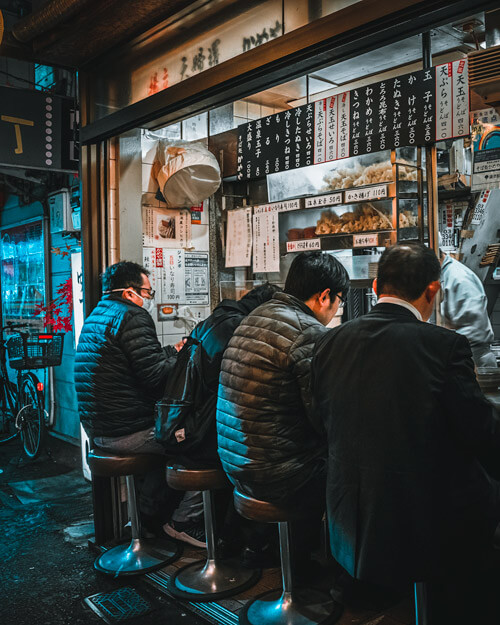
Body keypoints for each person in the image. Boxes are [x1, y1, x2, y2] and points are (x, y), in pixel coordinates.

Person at [312, 243, 500, 622]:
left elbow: (322, 422)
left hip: (347, 512)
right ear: (433, 290)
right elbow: (479, 432)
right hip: (423, 517)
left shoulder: (329, 341)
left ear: (378, 285)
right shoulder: (444, 346)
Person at [216, 251, 350, 569]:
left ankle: (273, 551)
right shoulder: (308, 333)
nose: (336, 311)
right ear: (325, 296)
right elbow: (322, 417)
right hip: (275, 475)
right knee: (353, 472)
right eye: (339, 301)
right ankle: (331, 573)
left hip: (234, 463)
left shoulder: (256, 315)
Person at [75, 261, 199, 537]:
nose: (148, 299)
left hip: (100, 429)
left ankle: (144, 522)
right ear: (130, 292)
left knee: (171, 444)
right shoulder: (133, 316)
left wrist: (170, 351)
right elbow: (155, 378)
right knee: (196, 443)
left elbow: (138, 363)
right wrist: (185, 354)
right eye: (148, 292)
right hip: (126, 430)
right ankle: (181, 523)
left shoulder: (99, 314)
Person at [158, 283, 281, 547]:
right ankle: (218, 534)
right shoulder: (237, 329)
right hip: (198, 433)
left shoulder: (219, 320)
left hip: (183, 424)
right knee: (252, 456)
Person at [440, 243, 497, 367]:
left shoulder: (460, 279)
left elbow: (474, 331)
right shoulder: (440, 275)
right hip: (457, 359)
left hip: (473, 360)